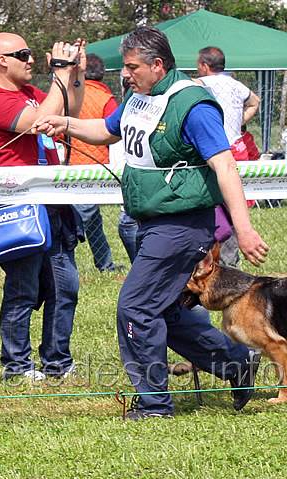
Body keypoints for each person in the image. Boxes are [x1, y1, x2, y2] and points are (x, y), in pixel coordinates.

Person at [34, 26, 268, 419]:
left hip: (181, 226)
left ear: (158, 65)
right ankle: (236, 362)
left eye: (131, 67)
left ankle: (154, 404)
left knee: (135, 307)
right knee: (163, 310)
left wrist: (243, 230)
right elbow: (108, 131)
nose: (124, 74)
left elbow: (225, 166)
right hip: (153, 224)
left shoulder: (192, 105)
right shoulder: (139, 98)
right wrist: (66, 124)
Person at [0, 32, 86, 381]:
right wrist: (59, 74)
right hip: (19, 209)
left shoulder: (28, 94)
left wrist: (75, 75)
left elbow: (69, 112)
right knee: (23, 291)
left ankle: (57, 363)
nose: (31, 60)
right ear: (1, 61)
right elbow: (41, 121)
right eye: (22, 54)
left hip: (51, 207)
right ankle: (17, 367)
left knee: (65, 287)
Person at [196, 46, 262, 267]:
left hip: (214, 152)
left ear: (205, 66)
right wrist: (239, 121)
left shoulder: (200, 85)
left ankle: (209, 261)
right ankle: (228, 262)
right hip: (238, 150)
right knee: (235, 207)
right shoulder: (237, 85)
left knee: (211, 207)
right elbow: (255, 101)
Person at [69, 53, 119, 272]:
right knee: (82, 217)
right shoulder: (106, 98)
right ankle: (63, 255)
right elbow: (116, 134)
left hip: (70, 162)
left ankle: (105, 263)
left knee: (93, 218)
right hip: (97, 164)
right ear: (103, 74)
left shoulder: (71, 94)